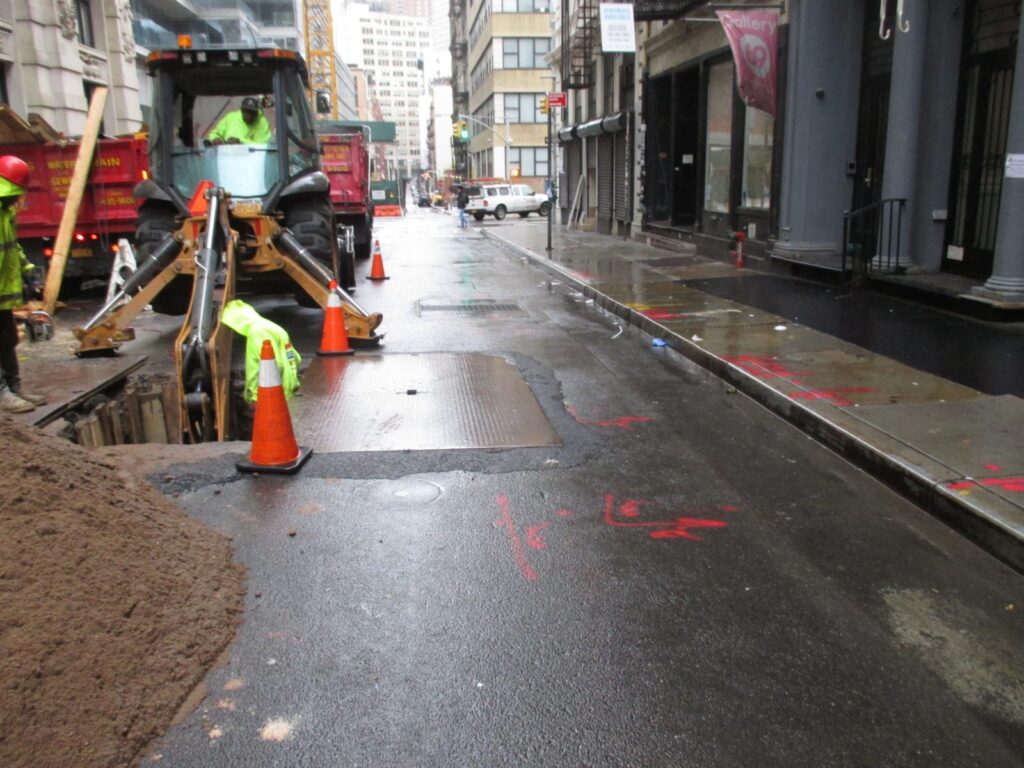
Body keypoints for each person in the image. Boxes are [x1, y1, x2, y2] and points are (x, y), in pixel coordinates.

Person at [0, 155, 46, 414]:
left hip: (3, 293)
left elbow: (11, 247)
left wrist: (27, 270)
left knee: (7, 339)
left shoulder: (5, 212)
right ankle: (2, 394)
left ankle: (14, 387)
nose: (18, 198)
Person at [206, 97, 271, 146]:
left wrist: (241, 143)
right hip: (227, 157)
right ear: (241, 110)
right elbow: (213, 134)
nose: (249, 116)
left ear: (257, 112)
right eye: (246, 112)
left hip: (251, 159)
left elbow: (264, 146)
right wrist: (216, 139)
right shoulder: (231, 117)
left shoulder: (262, 123)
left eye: (252, 113)